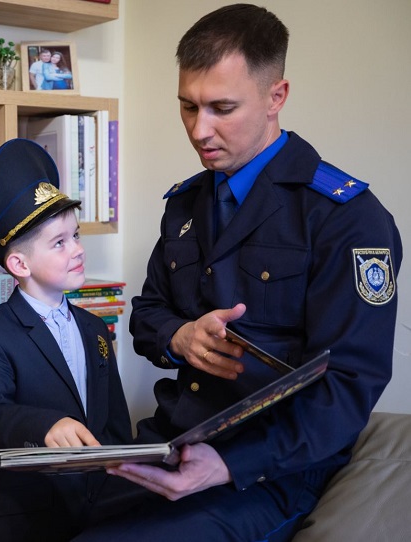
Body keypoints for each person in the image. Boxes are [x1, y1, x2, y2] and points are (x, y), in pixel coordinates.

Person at [74, 4, 402, 541]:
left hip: (270, 469)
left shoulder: (347, 219)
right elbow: (147, 314)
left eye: (222, 108)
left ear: (277, 97)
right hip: (174, 441)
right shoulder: (186, 203)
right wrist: (180, 337)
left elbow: (348, 386)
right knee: (38, 514)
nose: (199, 130)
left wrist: (228, 465)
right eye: (187, 107)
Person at [0, 138, 135, 541]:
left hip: (99, 514)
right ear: (19, 264)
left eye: (76, 235)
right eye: (59, 243)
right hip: (27, 523)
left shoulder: (94, 327)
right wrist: (46, 424)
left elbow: (114, 421)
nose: (77, 250)